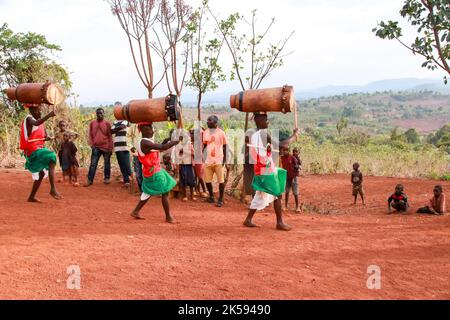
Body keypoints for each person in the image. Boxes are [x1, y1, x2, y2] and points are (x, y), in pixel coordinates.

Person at [243, 113, 298, 231]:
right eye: (265, 120)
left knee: (260, 195)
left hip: (262, 169)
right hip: (265, 169)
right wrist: (294, 135)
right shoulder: (262, 134)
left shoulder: (255, 134)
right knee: (277, 194)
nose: (268, 122)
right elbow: (282, 145)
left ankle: (248, 220)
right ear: (258, 121)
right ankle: (279, 222)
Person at [130, 123, 181, 222]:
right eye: (151, 129)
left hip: (150, 170)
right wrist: (175, 141)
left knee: (148, 192)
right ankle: (168, 217)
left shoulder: (143, 141)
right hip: (154, 172)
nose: (153, 131)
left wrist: (166, 141)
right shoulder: (146, 143)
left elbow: (157, 148)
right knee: (165, 191)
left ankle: (136, 211)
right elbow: (163, 147)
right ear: (146, 131)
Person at [19, 104, 62, 202]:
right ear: (32, 111)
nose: (40, 112)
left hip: (37, 150)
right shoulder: (29, 119)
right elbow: (36, 123)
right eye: (38, 110)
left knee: (41, 173)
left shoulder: (40, 122)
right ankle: (53, 189)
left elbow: (42, 135)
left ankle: (31, 197)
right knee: (52, 156)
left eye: (40, 110)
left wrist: (46, 138)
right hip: (32, 151)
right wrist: (49, 115)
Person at [203, 115, 229, 207]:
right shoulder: (205, 132)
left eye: (210, 120)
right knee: (207, 181)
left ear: (215, 123)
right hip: (208, 161)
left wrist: (225, 160)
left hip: (219, 160)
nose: (207, 122)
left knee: (220, 181)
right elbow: (205, 145)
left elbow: (225, 146)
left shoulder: (221, 133)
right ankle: (211, 197)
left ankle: (221, 199)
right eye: (207, 120)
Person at [85, 108, 113, 187]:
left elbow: (110, 136)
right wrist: (92, 145)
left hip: (106, 146)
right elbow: (90, 135)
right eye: (98, 113)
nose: (100, 115)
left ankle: (107, 178)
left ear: (104, 114)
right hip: (96, 147)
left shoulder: (107, 123)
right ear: (96, 114)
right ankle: (90, 180)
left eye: (101, 113)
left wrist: (110, 147)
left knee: (107, 163)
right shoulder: (92, 123)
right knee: (93, 164)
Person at [111, 111, 132, 187]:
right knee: (121, 164)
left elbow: (121, 127)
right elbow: (111, 131)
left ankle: (131, 179)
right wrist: (117, 128)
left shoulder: (125, 121)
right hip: (117, 146)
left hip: (124, 145)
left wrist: (116, 129)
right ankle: (126, 180)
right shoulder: (115, 122)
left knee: (126, 163)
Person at [174, 132, 197, 202]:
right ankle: (184, 195)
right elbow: (177, 155)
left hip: (189, 164)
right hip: (182, 164)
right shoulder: (178, 145)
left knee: (191, 180)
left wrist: (184, 151)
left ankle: (192, 195)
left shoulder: (190, 144)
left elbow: (194, 153)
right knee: (183, 180)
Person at [281, 146, 301, 212]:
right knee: (286, 192)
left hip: (293, 177)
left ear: (288, 151)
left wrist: (294, 175)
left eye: (286, 150)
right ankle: (285, 206)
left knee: (295, 192)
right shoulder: (282, 158)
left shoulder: (292, 158)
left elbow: (297, 166)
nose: (285, 152)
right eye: (284, 150)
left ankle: (297, 207)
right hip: (287, 177)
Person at [191, 129, 208, 198]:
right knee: (194, 176)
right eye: (191, 134)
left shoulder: (200, 142)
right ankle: (196, 190)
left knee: (200, 176)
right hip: (193, 161)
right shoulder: (192, 143)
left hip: (199, 160)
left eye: (193, 134)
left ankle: (204, 190)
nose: (191, 135)